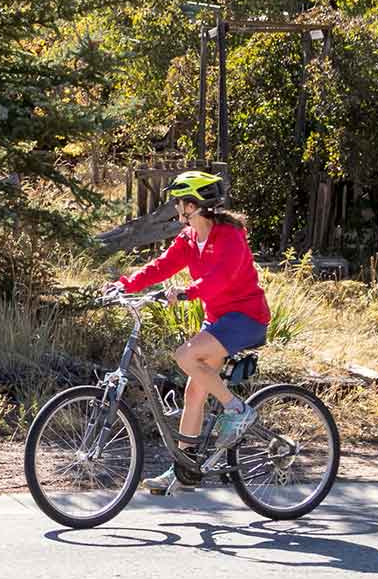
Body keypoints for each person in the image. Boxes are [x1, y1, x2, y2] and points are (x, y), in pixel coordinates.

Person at [112, 170, 272, 492]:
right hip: (219, 320)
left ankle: (237, 409)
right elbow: (161, 266)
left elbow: (221, 277)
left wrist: (188, 292)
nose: (176, 208)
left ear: (197, 205)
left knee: (185, 355)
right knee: (194, 392)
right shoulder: (188, 239)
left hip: (245, 318)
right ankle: (184, 471)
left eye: (181, 202)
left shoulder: (229, 236)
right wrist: (124, 284)